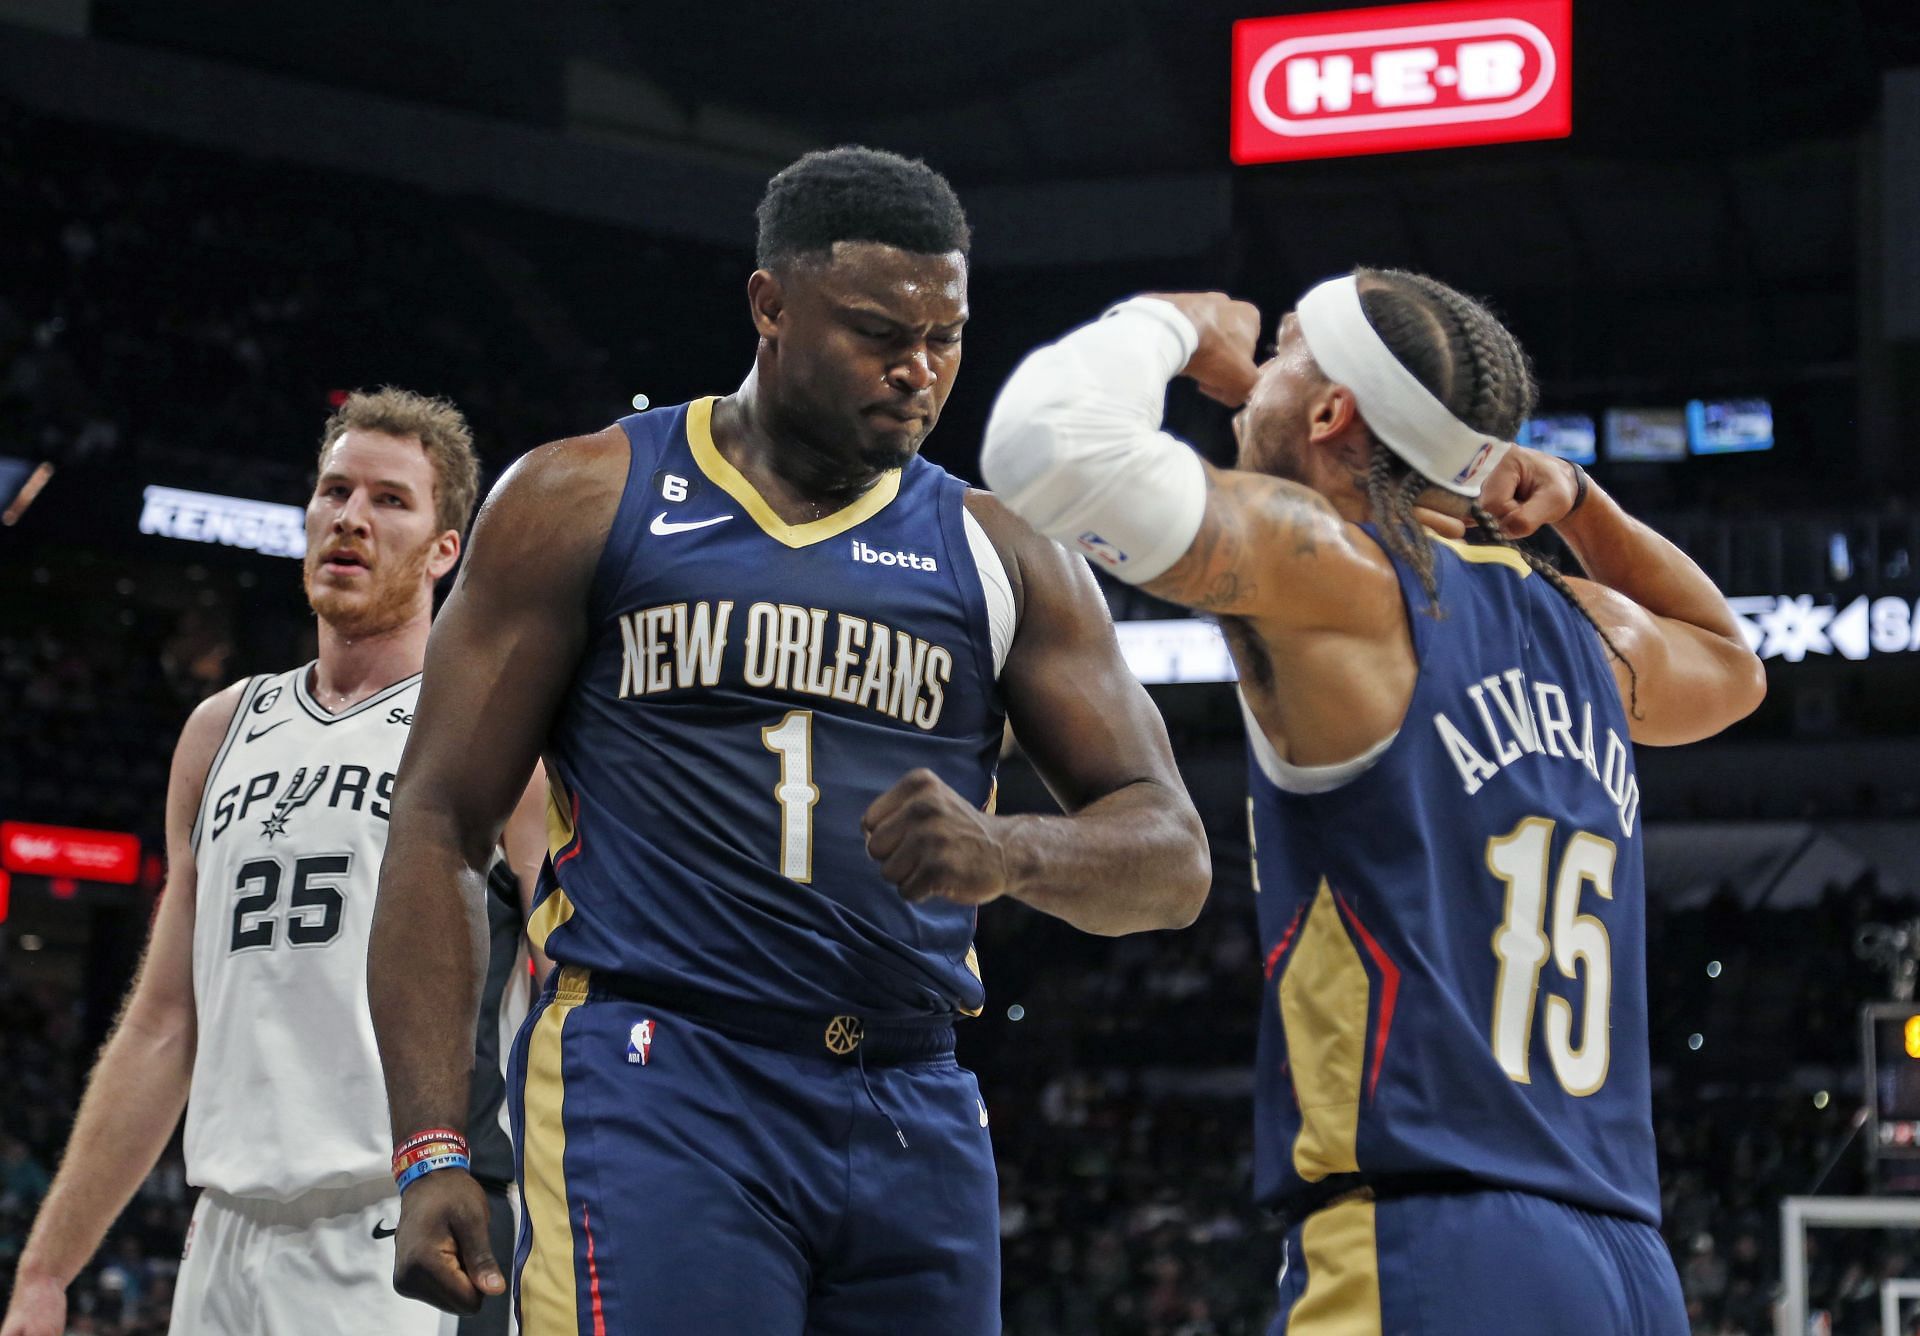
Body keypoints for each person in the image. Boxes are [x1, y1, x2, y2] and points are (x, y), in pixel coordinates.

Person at [365, 145, 1211, 1335]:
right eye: (877, 333)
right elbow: (439, 822)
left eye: (947, 337)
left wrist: (1010, 852)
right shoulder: (579, 497)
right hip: (660, 1075)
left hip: (914, 1094)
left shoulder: (1004, 549)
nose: (919, 371)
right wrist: (434, 1144)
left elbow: (1174, 858)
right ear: (769, 305)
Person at [980, 272, 1767, 1334]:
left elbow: (1041, 450)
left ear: (1330, 410)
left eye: (1288, 343)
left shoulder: (1340, 580)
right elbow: (1731, 660)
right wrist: (1580, 500)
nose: (1254, 367)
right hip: (1624, 1263)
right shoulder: (1586, 630)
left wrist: (1167, 325)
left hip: (1434, 1250)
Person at [0, 388, 530, 1336]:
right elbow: (164, 1022)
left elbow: (574, 985)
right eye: (334, 492)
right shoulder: (219, 730)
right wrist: (47, 1268)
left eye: (390, 500)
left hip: (392, 1228)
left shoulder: (488, 731)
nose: (351, 519)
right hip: (224, 1235)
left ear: (447, 549)